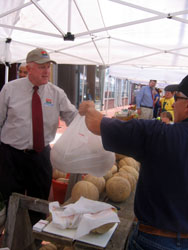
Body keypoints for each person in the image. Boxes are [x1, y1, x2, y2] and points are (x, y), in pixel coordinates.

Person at [79, 75, 188, 250]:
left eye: (177, 98)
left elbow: (95, 123)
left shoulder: (158, 134)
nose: (173, 104)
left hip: (155, 240)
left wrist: (90, 107)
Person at [0, 48, 78, 226]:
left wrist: (91, 122)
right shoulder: (10, 89)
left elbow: (73, 118)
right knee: (10, 199)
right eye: (42, 67)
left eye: (48, 67)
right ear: (29, 68)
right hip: (11, 156)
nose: (47, 71)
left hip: (41, 155)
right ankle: (10, 238)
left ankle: (34, 240)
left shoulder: (57, 93)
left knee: (40, 202)